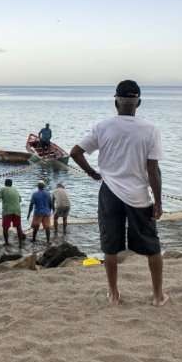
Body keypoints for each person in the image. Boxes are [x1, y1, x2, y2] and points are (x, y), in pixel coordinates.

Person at [70, 80, 167, 307]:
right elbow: (153, 171)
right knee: (152, 246)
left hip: (109, 193)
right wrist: (159, 202)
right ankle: (157, 296)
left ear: (116, 101)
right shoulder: (150, 130)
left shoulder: (102, 126)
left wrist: (92, 173)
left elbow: (75, 153)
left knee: (110, 245)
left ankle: (114, 294)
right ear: (138, 103)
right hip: (138, 195)